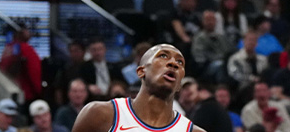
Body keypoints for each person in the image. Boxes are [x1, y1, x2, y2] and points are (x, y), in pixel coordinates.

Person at [70, 44, 203, 132]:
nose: (173, 63)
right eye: (163, 56)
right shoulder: (99, 114)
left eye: (180, 62)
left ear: (179, 84)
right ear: (141, 71)